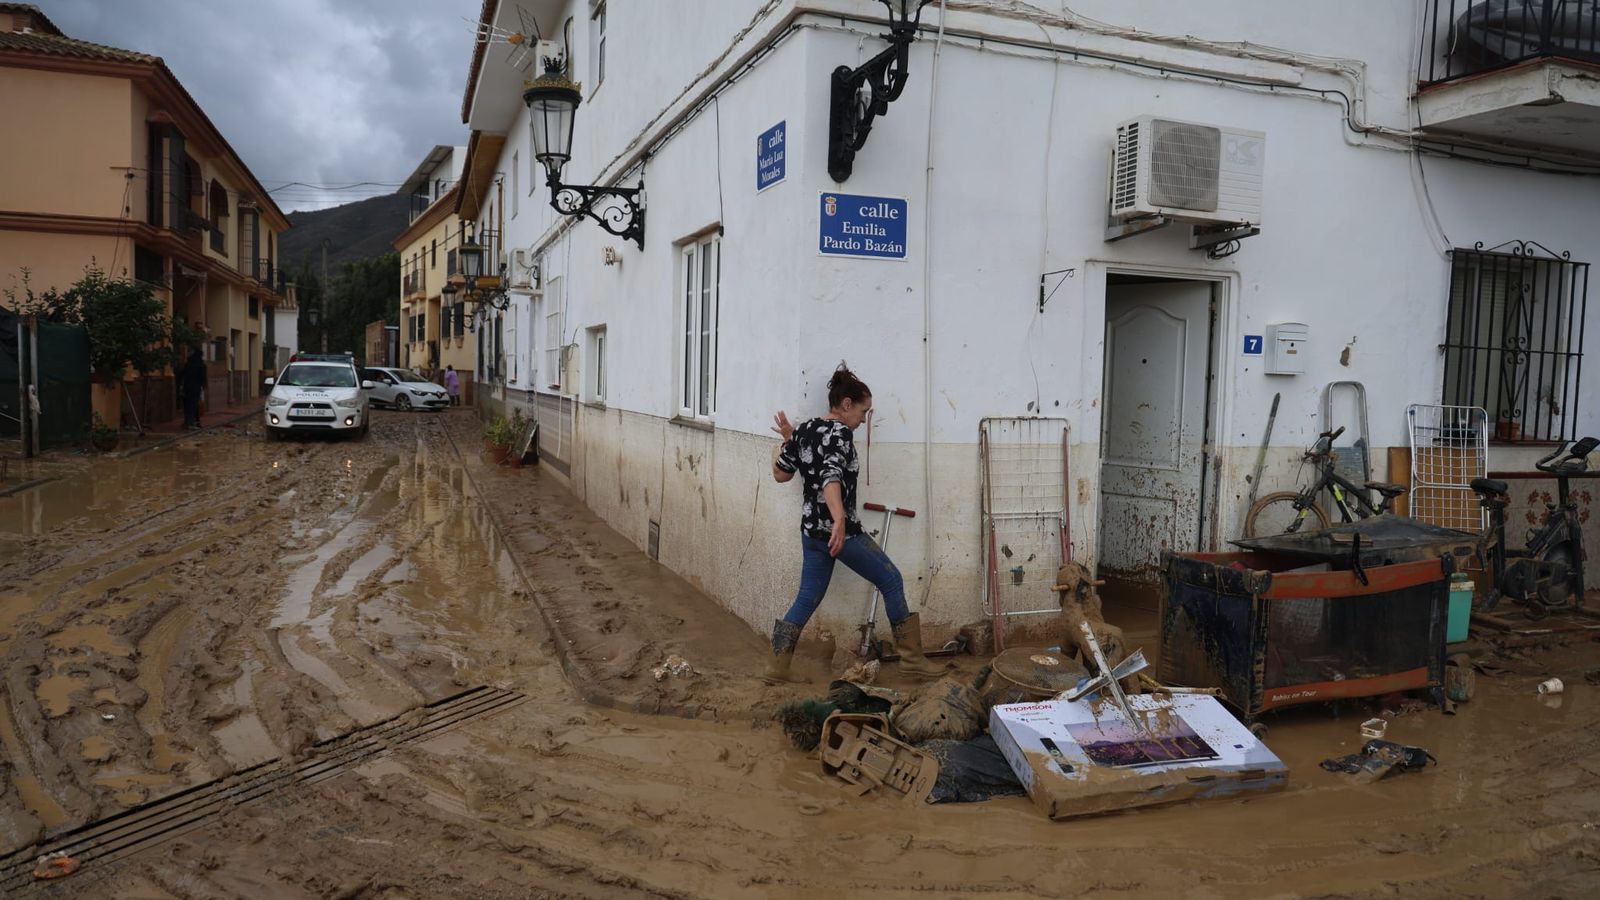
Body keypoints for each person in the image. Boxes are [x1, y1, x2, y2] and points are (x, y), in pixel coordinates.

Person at [765, 363, 944, 684]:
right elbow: (831, 476)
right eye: (864, 411)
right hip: (840, 533)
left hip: (811, 533)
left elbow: (781, 474)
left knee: (807, 598)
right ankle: (913, 660)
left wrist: (790, 439)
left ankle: (776, 667)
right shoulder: (841, 433)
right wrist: (838, 521)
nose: (864, 420)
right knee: (890, 580)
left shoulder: (805, 430)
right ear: (846, 404)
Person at [180, 346, 207, 429]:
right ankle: (192, 422)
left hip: (187, 387)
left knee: (188, 405)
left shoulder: (188, 364)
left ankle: (189, 421)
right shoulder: (202, 365)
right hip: (196, 387)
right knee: (194, 404)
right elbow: (203, 377)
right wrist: (203, 386)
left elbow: (183, 375)